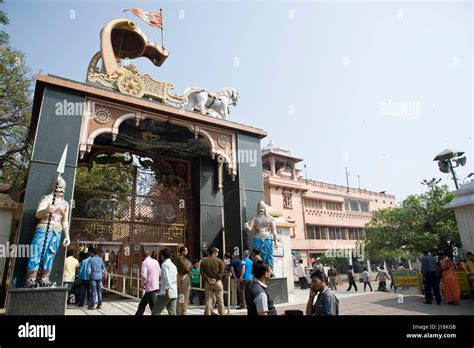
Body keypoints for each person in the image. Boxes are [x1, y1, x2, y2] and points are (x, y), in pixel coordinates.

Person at [25, 177, 71, 288]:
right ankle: (31, 278)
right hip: (44, 228)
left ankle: (44, 278)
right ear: (55, 187)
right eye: (59, 187)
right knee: (37, 252)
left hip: (57, 231)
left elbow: (64, 221)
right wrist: (47, 210)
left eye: (63, 188)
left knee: (50, 254)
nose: (62, 190)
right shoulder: (47, 199)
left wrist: (67, 236)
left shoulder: (65, 204)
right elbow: (38, 214)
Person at [200, 247, 225, 315]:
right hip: (217, 282)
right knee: (220, 300)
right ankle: (222, 313)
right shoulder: (219, 261)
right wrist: (216, 279)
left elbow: (202, 272)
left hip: (208, 283)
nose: (217, 253)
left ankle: (208, 313)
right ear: (214, 252)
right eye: (217, 252)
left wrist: (208, 279)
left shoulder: (204, 261)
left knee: (208, 300)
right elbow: (222, 272)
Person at [152, 248, 178, 315]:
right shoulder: (173, 265)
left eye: (160, 256)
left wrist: (167, 291)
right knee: (172, 313)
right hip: (174, 292)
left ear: (163, 256)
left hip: (165, 293)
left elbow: (167, 278)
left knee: (155, 313)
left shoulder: (164, 265)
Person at [135, 250, 161, 315]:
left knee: (152, 306)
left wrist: (142, 284)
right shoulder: (156, 261)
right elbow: (160, 273)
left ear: (143, 256)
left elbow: (144, 275)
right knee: (142, 304)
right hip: (156, 285)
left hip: (149, 287)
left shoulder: (144, 262)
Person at [176, 246, 192, 315]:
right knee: (182, 295)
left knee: (186, 295)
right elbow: (186, 269)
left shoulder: (184, 259)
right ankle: (180, 311)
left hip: (186, 277)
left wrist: (189, 266)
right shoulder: (180, 259)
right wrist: (189, 266)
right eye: (186, 250)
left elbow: (190, 267)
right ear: (183, 252)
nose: (187, 252)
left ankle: (184, 309)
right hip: (182, 277)